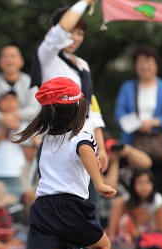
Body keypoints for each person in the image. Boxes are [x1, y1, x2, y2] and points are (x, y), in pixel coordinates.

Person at [4, 77, 118, 249]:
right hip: (70, 206)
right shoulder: (82, 135)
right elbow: (84, 151)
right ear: (78, 108)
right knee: (102, 245)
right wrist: (99, 182)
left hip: (42, 208)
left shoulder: (47, 140)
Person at [31, 1, 108, 172]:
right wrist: (84, 2)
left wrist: (100, 147)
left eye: (80, 33)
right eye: (72, 32)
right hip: (57, 143)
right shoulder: (48, 57)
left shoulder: (83, 65)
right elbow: (61, 30)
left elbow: (92, 109)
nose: (75, 37)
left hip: (85, 142)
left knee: (87, 196)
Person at [114, 45, 162, 197]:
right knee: (130, 190)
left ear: (156, 64)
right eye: (140, 62)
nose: (144, 65)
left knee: (157, 191)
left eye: (148, 61)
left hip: (157, 149)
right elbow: (119, 113)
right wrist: (138, 124)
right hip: (133, 144)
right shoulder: (127, 87)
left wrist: (154, 123)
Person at [0, 46, 40, 196]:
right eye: (5, 56)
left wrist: (15, 116)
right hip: (0, 144)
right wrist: (3, 119)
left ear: (21, 61)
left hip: (27, 136)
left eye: (13, 56)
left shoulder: (30, 82)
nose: (9, 60)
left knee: (28, 189)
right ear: (0, 62)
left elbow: (35, 107)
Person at [107, 169, 162, 249]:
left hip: (150, 233)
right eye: (140, 183)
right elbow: (123, 214)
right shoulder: (126, 200)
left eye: (147, 182)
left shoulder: (158, 201)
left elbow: (161, 229)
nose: (144, 187)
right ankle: (112, 240)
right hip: (131, 232)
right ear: (133, 185)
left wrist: (144, 233)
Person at [0, 90, 26, 197]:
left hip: (17, 171)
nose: (10, 103)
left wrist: (17, 128)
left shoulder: (23, 122)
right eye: (6, 100)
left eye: (13, 100)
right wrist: (3, 129)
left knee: (16, 207)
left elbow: (32, 144)